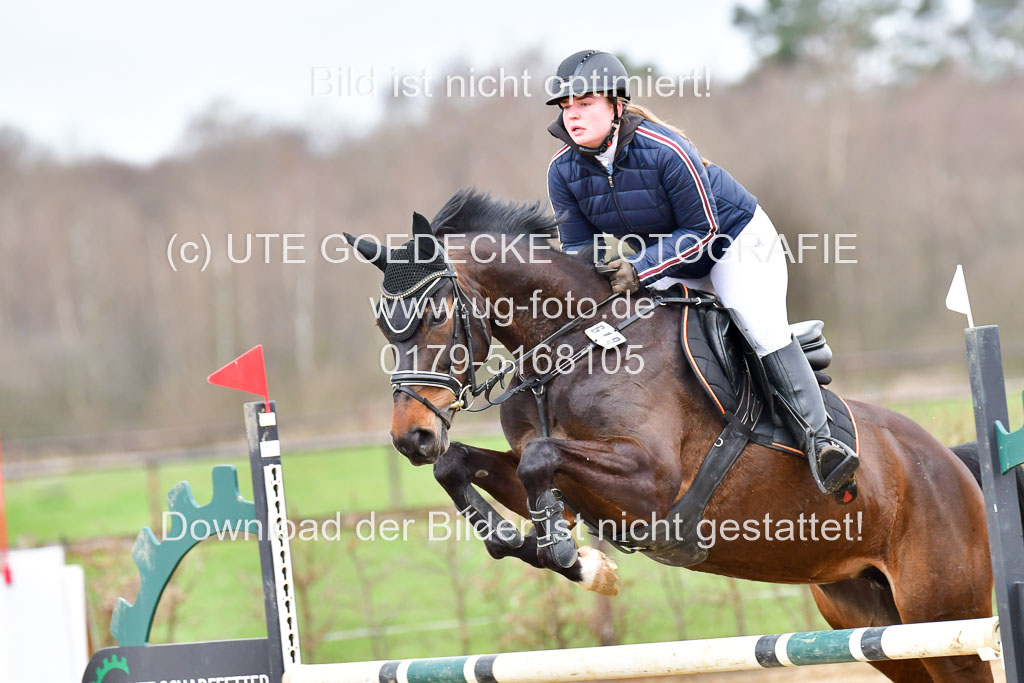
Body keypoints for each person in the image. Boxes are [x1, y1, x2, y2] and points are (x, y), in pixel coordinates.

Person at [544, 50, 858, 502]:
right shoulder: (563, 170)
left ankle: (822, 443)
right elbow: (579, 250)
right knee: (643, 335)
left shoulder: (665, 150)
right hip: (668, 259)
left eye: (585, 103)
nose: (572, 115)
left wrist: (639, 268)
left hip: (734, 243)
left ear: (616, 105)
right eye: (566, 106)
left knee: (758, 328)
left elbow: (702, 232)